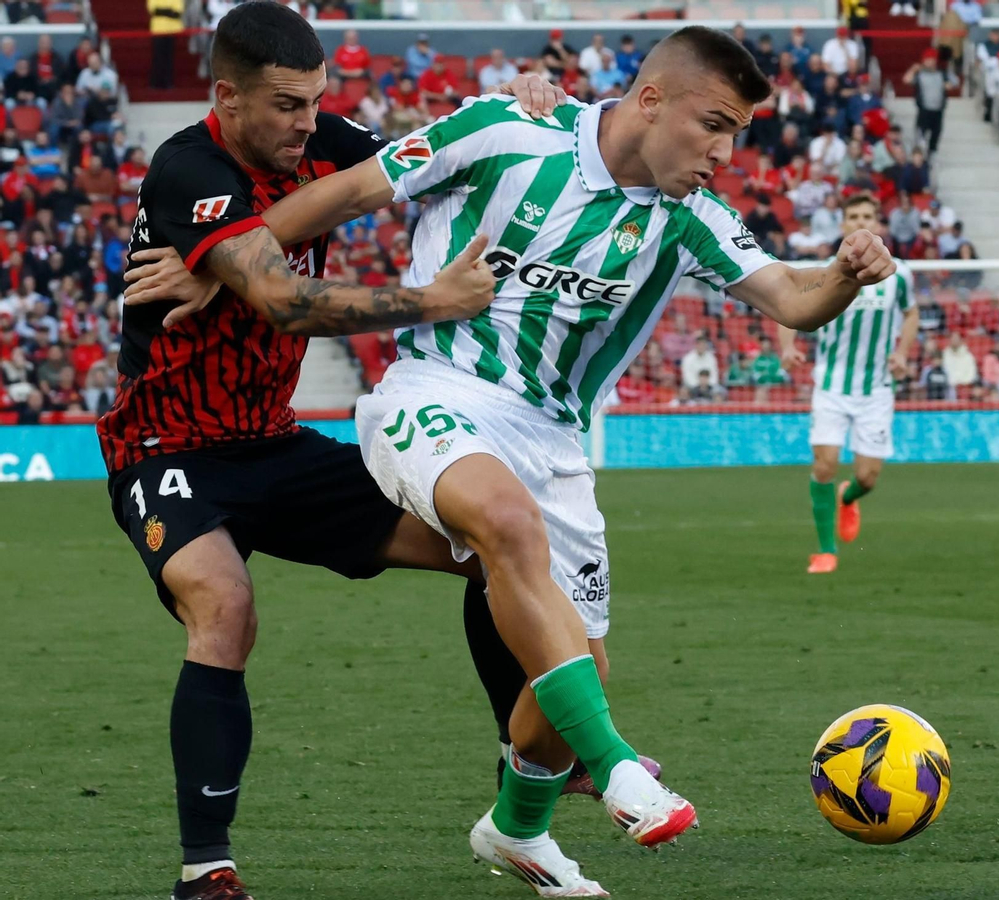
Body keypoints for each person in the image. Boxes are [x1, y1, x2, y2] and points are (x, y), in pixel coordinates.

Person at [249, 23, 895, 893]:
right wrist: (221, 261)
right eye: (712, 124)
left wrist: (847, 272)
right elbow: (344, 195)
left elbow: (792, 297)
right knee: (507, 525)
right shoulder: (504, 131)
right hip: (436, 390)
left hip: (555, 442)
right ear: (651, 99)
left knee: (570, 679)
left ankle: (517, 830)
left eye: (736, 134)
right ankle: (619, 766)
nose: (723, 152)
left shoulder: (690, 219)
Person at [102, 6, 562, 899]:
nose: (307, 123)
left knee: (487, 546)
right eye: (286, 105)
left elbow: (445, 158)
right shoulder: (187, 167)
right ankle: (206, 870)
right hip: (166, 447)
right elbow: (281, 303)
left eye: (316, 101)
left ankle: (530, 754)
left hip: (274, 440)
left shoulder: (322, 141)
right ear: (227, 98)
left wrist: (520, 104)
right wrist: (432, 300)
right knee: (225, 607)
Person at [777, 194, 918, 574]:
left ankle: (849, 497)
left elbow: (911, 313)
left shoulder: (899, 275)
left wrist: (902, 352)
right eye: (853, 216)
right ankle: (826, 550)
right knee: (825, 466)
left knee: (867, 478)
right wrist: (788, 348)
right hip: (831, 385)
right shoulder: (825, 273)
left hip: (876, 389)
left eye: (867, 216)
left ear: (878, 224)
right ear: (843, 225)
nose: (860, 222)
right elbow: (785, 307)